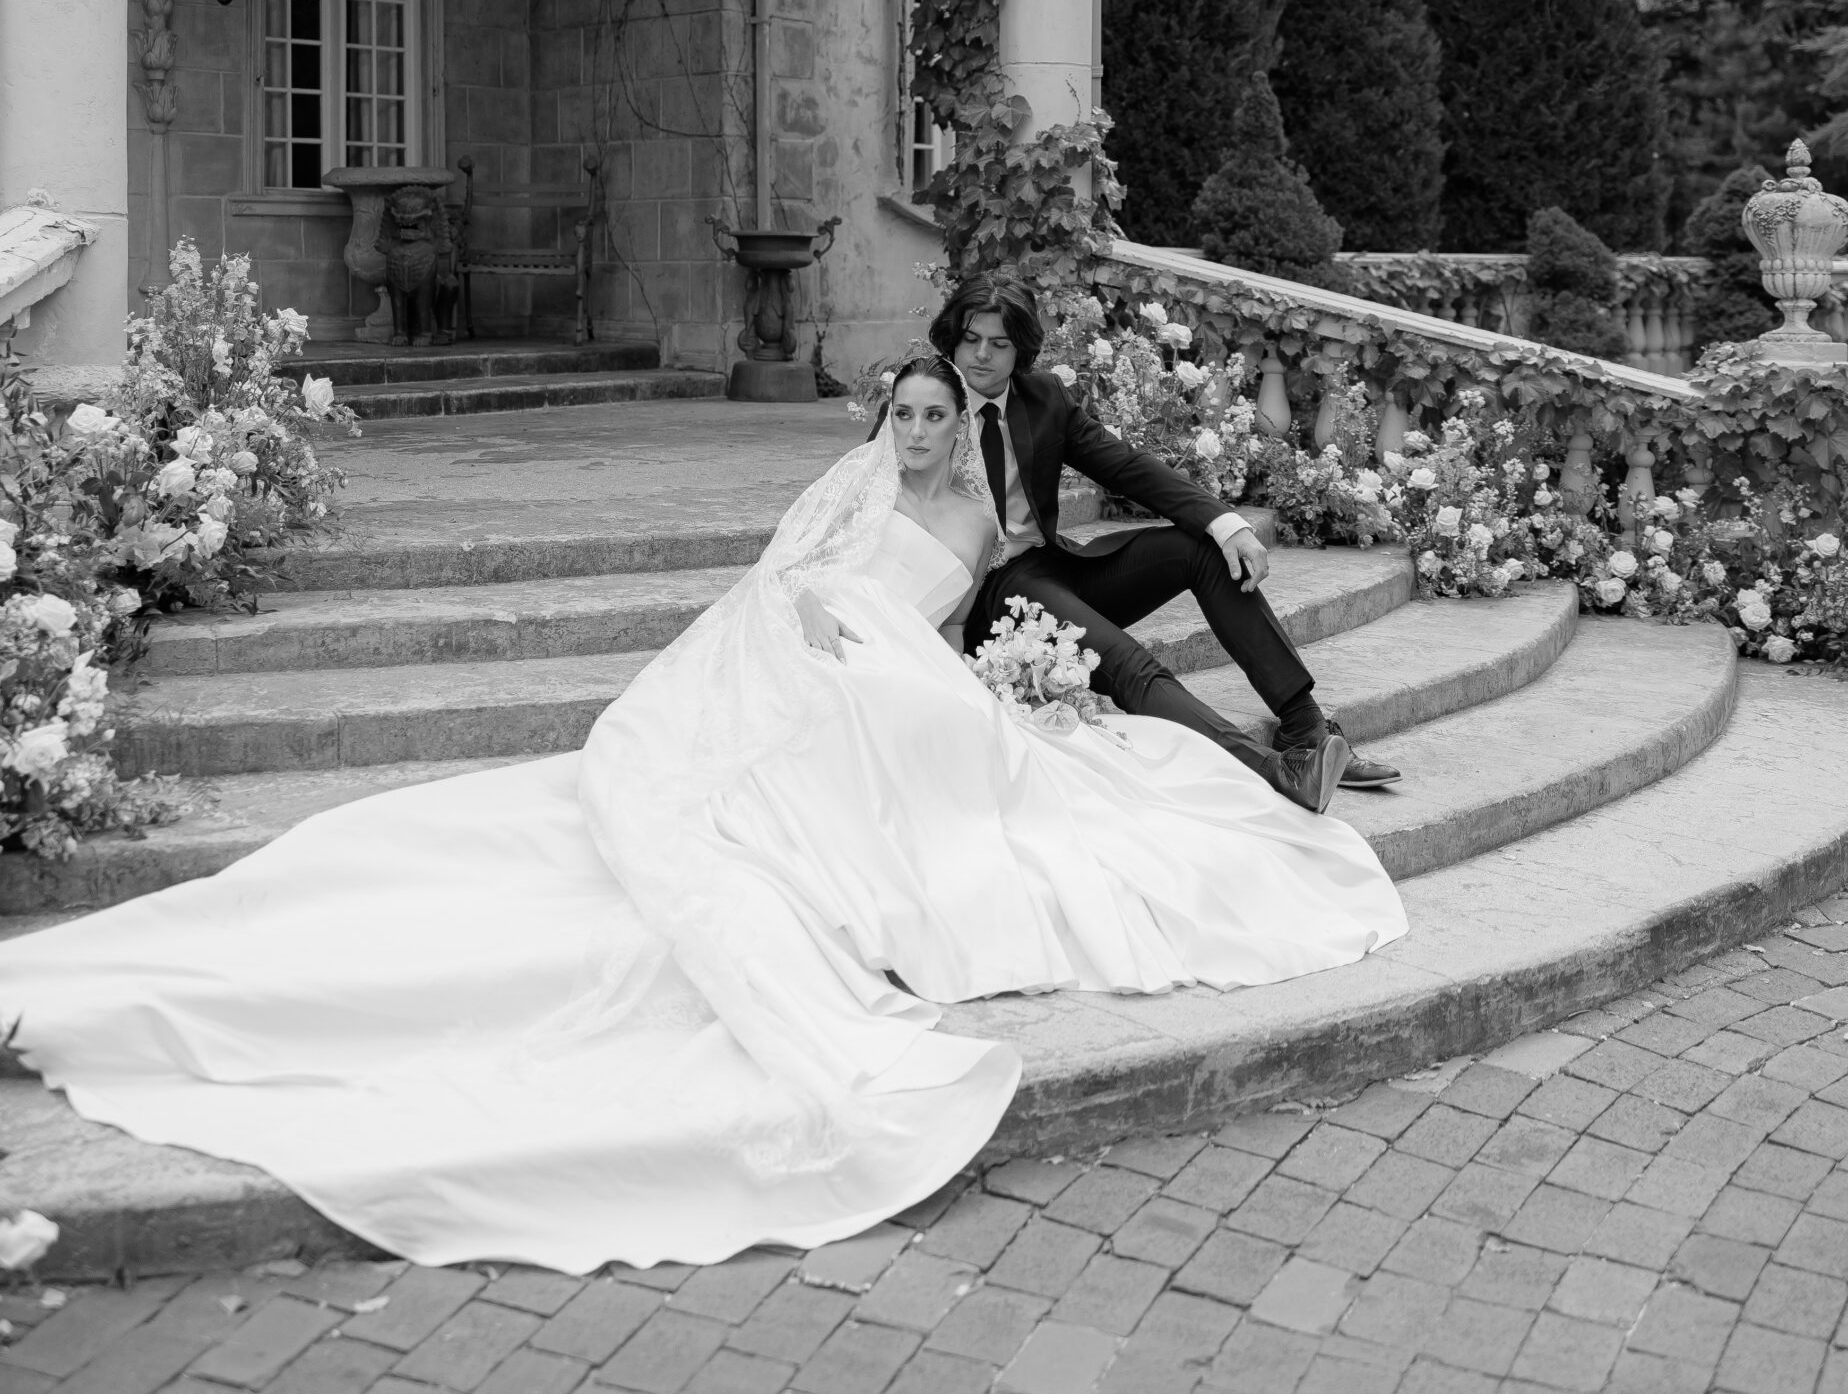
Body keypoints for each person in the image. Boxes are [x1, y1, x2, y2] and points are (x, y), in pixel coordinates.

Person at [0, 354, 1403, 1276]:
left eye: (933, 419)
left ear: (957, 429)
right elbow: (781, 583)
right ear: (880, 425)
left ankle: (1191, 772)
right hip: (808, 655)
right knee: (758, 747)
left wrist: (1029, 677)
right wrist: (811, 626)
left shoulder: (984, 528)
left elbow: (997, 611)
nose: (915, 434)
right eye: (900, 416)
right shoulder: (848, 494)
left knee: (934, 736)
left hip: (908, 679)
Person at [932, 275, 1402, 812]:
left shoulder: (1042, 399)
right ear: (953, 338)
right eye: (972, 340)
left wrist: (1225, 522)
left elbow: (1126, 467)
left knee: (1201, 550)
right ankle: (1272, 770)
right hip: (992, 597)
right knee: (1128, 663)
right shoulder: (927, 407)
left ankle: (1305, 731)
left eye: (1000, 343)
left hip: (1050, 566)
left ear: (1022, 348)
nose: (983, 356)